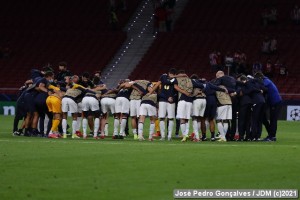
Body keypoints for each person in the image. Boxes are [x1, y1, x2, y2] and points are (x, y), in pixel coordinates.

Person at [150, 68, 177, 141]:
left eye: (173, 75)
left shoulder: (176, 80)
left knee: (171, 118)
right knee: (161, 117)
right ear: (169, 73)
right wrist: (151, 91)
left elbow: (176, 90)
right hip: (162, 99)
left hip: (171, 101)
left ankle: (169, 136)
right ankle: (163, 136)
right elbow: (157, 85)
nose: (171, 76)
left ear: (175, 75)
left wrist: (173, 98)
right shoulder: (163, 76)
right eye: (170, 74)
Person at [255, 72, 282, 141]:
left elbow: (260, 86)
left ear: (260, 78)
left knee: (273, 120)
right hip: (273, 102)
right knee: (269, 119)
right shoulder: (267, 80)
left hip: (275, 102)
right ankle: (271, 135)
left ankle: (272, 136)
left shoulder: (266, 81)